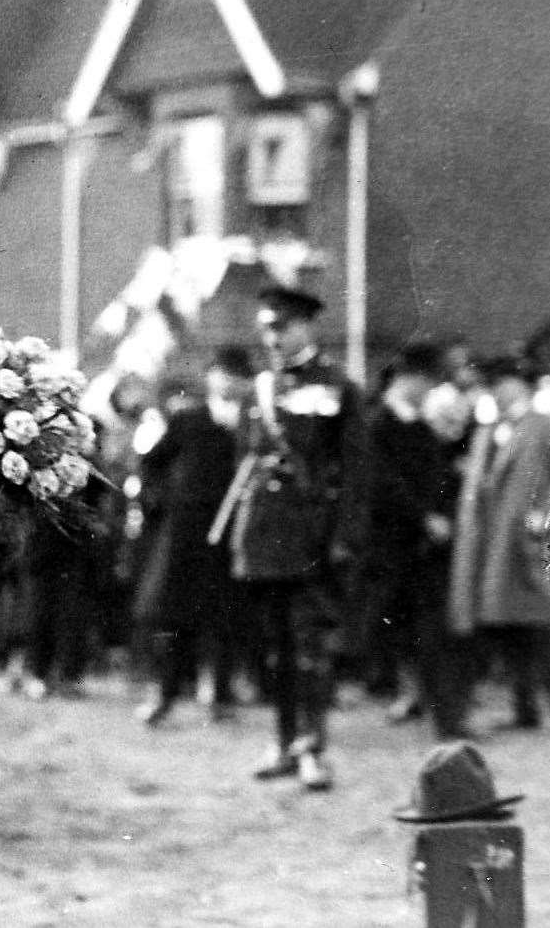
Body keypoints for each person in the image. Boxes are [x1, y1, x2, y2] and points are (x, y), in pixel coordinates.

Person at [231, 286, 368, 793]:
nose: (273, 337)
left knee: (310, 644)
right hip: (265, 534)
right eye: (267, 328)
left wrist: (345, 536)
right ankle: (283, 740)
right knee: (274, 646)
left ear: (307, 328)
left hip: (314, 535)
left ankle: (313, 747)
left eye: (282, 327)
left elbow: (356, 470)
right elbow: (242, 463)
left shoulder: (339, 388)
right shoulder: (258, 390)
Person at [448, 355, 550, 735]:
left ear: (516, 384)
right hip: (496, 547)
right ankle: (524, 709)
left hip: (536, 549)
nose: (492, 393)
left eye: (496, 384)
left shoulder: (549, 425)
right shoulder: (489, 431)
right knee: (511, 630)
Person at [132, 346, 254, 727]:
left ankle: (220, 696)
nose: (228, 381)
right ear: (211, 377)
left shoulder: (253, 424)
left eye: (237, 375)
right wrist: (161, 504)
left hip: (233, 530)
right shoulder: (189, 419)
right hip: (186, 532)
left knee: (225, 615)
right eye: (222, 373)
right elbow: (150, 462)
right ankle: (164, 694)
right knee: (174, 615)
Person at [361, 341, 468, 738]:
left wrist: (440, 516)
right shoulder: (375, 426)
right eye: (426, 382)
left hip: (423, 549)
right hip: (389, 547)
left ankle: (445, 717)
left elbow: (437, 480)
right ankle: (417, 700)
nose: (429, 391)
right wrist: (425, 518)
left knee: (431, 633)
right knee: (395, 632)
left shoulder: (421, 428)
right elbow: (381, 484)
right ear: (407, 380)